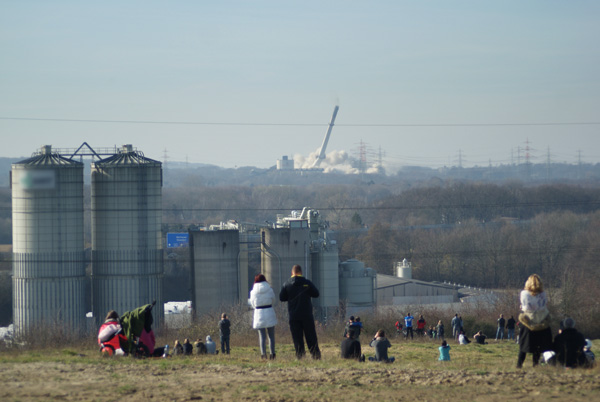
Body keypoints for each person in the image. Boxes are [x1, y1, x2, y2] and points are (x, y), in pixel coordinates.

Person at [279, 264, 321, 359]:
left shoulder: (287, 284)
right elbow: (316, 294)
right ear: (301, 272)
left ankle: (300, 356)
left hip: (294, 316)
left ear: (292, 273)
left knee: (297, 338)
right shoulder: (307, 283)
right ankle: (315, 356)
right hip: (306, 315)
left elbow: (281, 298)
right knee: (311, 336)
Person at [516, 274, 553, 368]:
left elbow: (524, 306)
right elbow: (543, 306)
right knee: (538, 345)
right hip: (542, 321)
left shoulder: (524, 293)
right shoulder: (543, 294)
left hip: (528, 321)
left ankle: (519, 365)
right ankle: (535, 364)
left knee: (523, 345)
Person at [249, 274, 277, 360]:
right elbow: (273, 300)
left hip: (259, 313)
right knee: (271, 336)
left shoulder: (253, 292)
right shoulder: (269, 289)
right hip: (269, 311)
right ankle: (272, 354)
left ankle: (263, 355)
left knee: (262, 336)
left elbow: (252, 303)